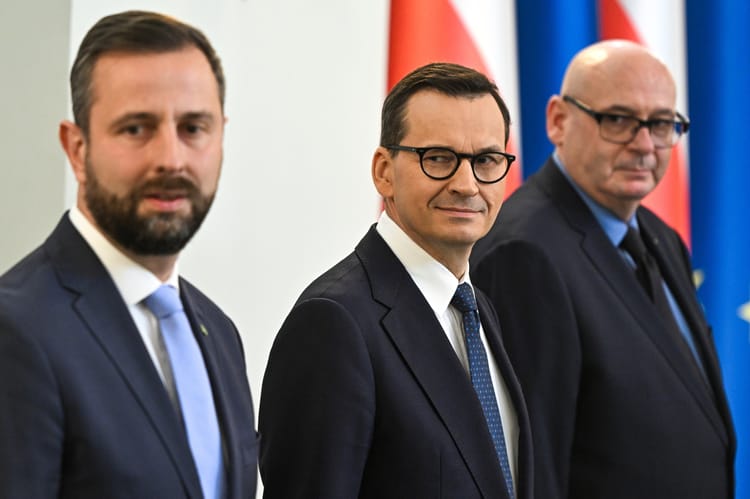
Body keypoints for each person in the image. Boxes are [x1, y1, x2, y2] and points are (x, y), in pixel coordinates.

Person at [0, 11, 257, 499]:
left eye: (193, 127)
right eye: (136, 129)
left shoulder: (220, 334)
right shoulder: (16, 330)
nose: (171, 159)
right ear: (77, 149)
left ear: (221, 137)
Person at [471, 40, 736, 499]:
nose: (644, 145)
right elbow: (533, 470)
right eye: (617, 119)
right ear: (558, 120)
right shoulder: (523, 253)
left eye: (661, 124)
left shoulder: (658, 235)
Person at [258, 62, 532, 498]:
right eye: (438, 158)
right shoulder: (332, 322)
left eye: (485, 160)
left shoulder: (476, 309)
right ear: (384, 171)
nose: (466, 184)